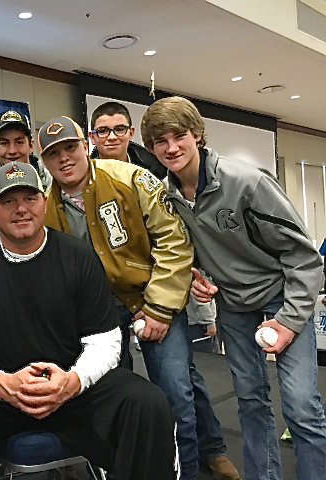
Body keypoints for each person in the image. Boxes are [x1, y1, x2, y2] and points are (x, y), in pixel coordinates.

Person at [0, 161, 179, 480]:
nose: (21, 209)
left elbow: (105, 340)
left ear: (44, 203)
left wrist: (73, 381)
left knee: (147, 403)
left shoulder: (79, 257)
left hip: (71, 392)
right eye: (8, 201)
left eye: (30, 199)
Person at [40, 115, 239, 480]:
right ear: (44, 160)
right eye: (54, 154)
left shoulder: (130, 178)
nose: (64, 159)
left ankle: (191, 470)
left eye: (70, 147)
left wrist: (160, 310)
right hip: (98, 316)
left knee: (176, 393)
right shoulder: (44, 205)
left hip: (152, 297)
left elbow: (174, 240)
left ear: (86, 146)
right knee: (114, 399)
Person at [141, 95, 326, 480]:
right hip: (234, 304)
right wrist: (202, 274)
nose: (171, 147)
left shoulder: (247, 182)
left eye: (179, 136)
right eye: (161, 141)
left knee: (301, 406)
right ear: (152, 149)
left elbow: (306, 258)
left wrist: (289, 322)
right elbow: (186, 250)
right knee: (250, 402)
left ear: (198, 136)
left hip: (283, 295)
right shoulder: (167, 196)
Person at [0, 109, 52, 199]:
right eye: (4, 143)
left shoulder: (50, 181)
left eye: (19, 142)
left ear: (31, 145)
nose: (12, 151)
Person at [89, 101, 166, 178]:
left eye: (119, 129)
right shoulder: (84, 175)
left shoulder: (157, 171)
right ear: (92, 137)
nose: (112, 137)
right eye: (102, 131)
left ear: (131, 133)